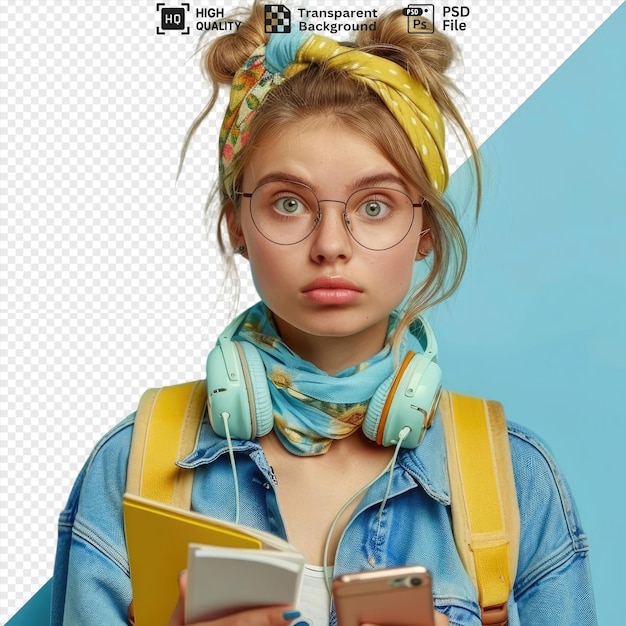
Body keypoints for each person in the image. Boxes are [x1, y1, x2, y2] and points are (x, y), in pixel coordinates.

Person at [50, 3, 596, 625]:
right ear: (237, 224)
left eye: (374, 206)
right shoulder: (132, 467)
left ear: (424, 231)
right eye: (289, 203)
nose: (330, 244)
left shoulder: (516, 479)